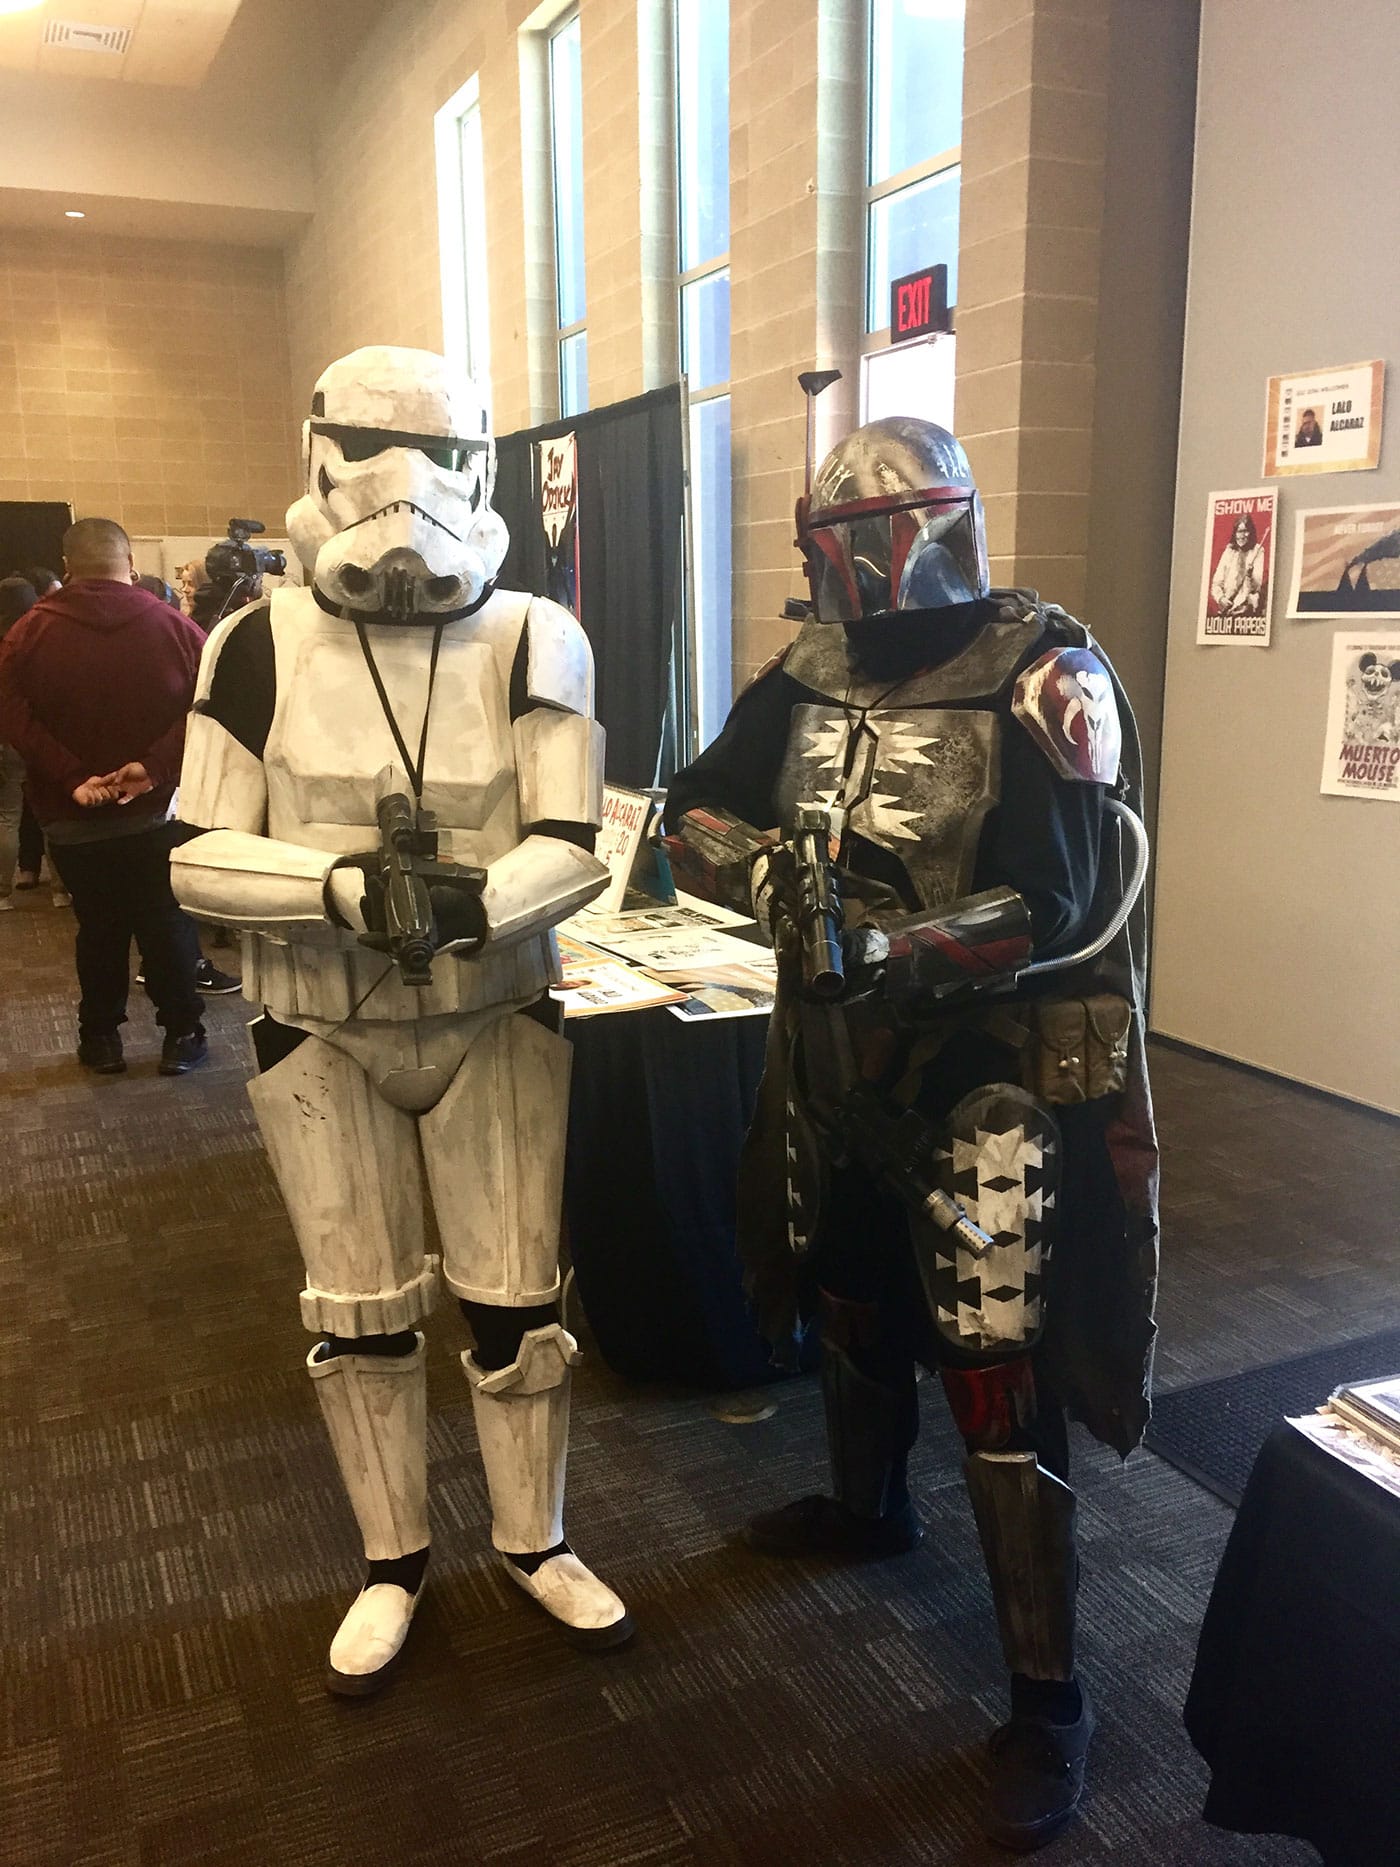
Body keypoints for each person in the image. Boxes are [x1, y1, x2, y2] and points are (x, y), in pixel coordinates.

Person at [665, 416, 1158, 1852]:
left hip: (985, 1077)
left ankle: (1048, 1693)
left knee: (997, 1377)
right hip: (830, 1063)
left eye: (864, 545)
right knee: (854, 1297)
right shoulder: (806, 671)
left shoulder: (1044, 670)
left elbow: (1060, 905)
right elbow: (689, 806)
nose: (852, 574)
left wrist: (891, 952)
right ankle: (867, 1502)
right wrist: (761, 867)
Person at [169, 345, 632, 1696]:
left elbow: (575, 837)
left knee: (516, 1309)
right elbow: (197, 849)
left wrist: (475, 905)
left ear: (484, 466)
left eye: (431, 451)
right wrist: (332, 882)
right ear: (318, 453)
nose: (402, 485)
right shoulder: (252, 642)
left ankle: (535, 1537)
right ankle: (392, 1555)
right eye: (369, 442)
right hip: (319, 1024)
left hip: (492, 1014)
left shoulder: (538, 634)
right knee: (359, 1315)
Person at [0, 518, 209, 1074]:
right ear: (130, 563)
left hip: (71, 816)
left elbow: (14, 718)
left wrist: (72, 777)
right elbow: (206, 710)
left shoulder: (27, 633)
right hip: (158, 810)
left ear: (67, 567)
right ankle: (183, 1035)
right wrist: (153, 766)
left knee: (98, 928)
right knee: (166, 923)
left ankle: (101, 1039)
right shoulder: (176, 627)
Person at [0, 577, 38, 909]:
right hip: (39, 735)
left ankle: (3, 893)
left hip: (5, 737)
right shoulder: (38, 634)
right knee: (51, 811)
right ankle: (60, 890)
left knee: (8, 813)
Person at [1209, 512, 1265, 615]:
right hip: (1228, 610)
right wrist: (1221, 599)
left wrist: (1250, 575)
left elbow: (1257, 587)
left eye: (1246, 531)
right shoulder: (1229, 551)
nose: (1242, 535)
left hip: (1247, 610)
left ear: (1251, 532)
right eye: (1239, 531)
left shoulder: (1258, 550)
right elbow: (1216, 584)